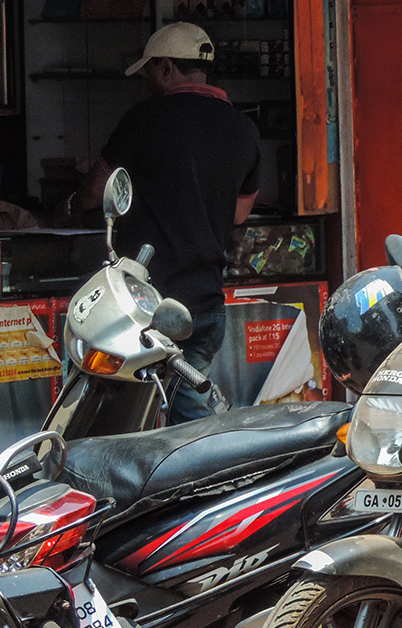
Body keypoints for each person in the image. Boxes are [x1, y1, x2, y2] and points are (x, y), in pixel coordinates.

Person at [69, 22, 262, 423]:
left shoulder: (145, 119)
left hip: (143, 310)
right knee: (176, 410)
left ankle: (222, 467)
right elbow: (240, 213)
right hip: (206, 303)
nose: (147, 81)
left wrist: (67, 205)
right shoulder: (243, 129)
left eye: (149, 72)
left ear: (166, 68)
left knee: (155, 416)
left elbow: (95, 191)